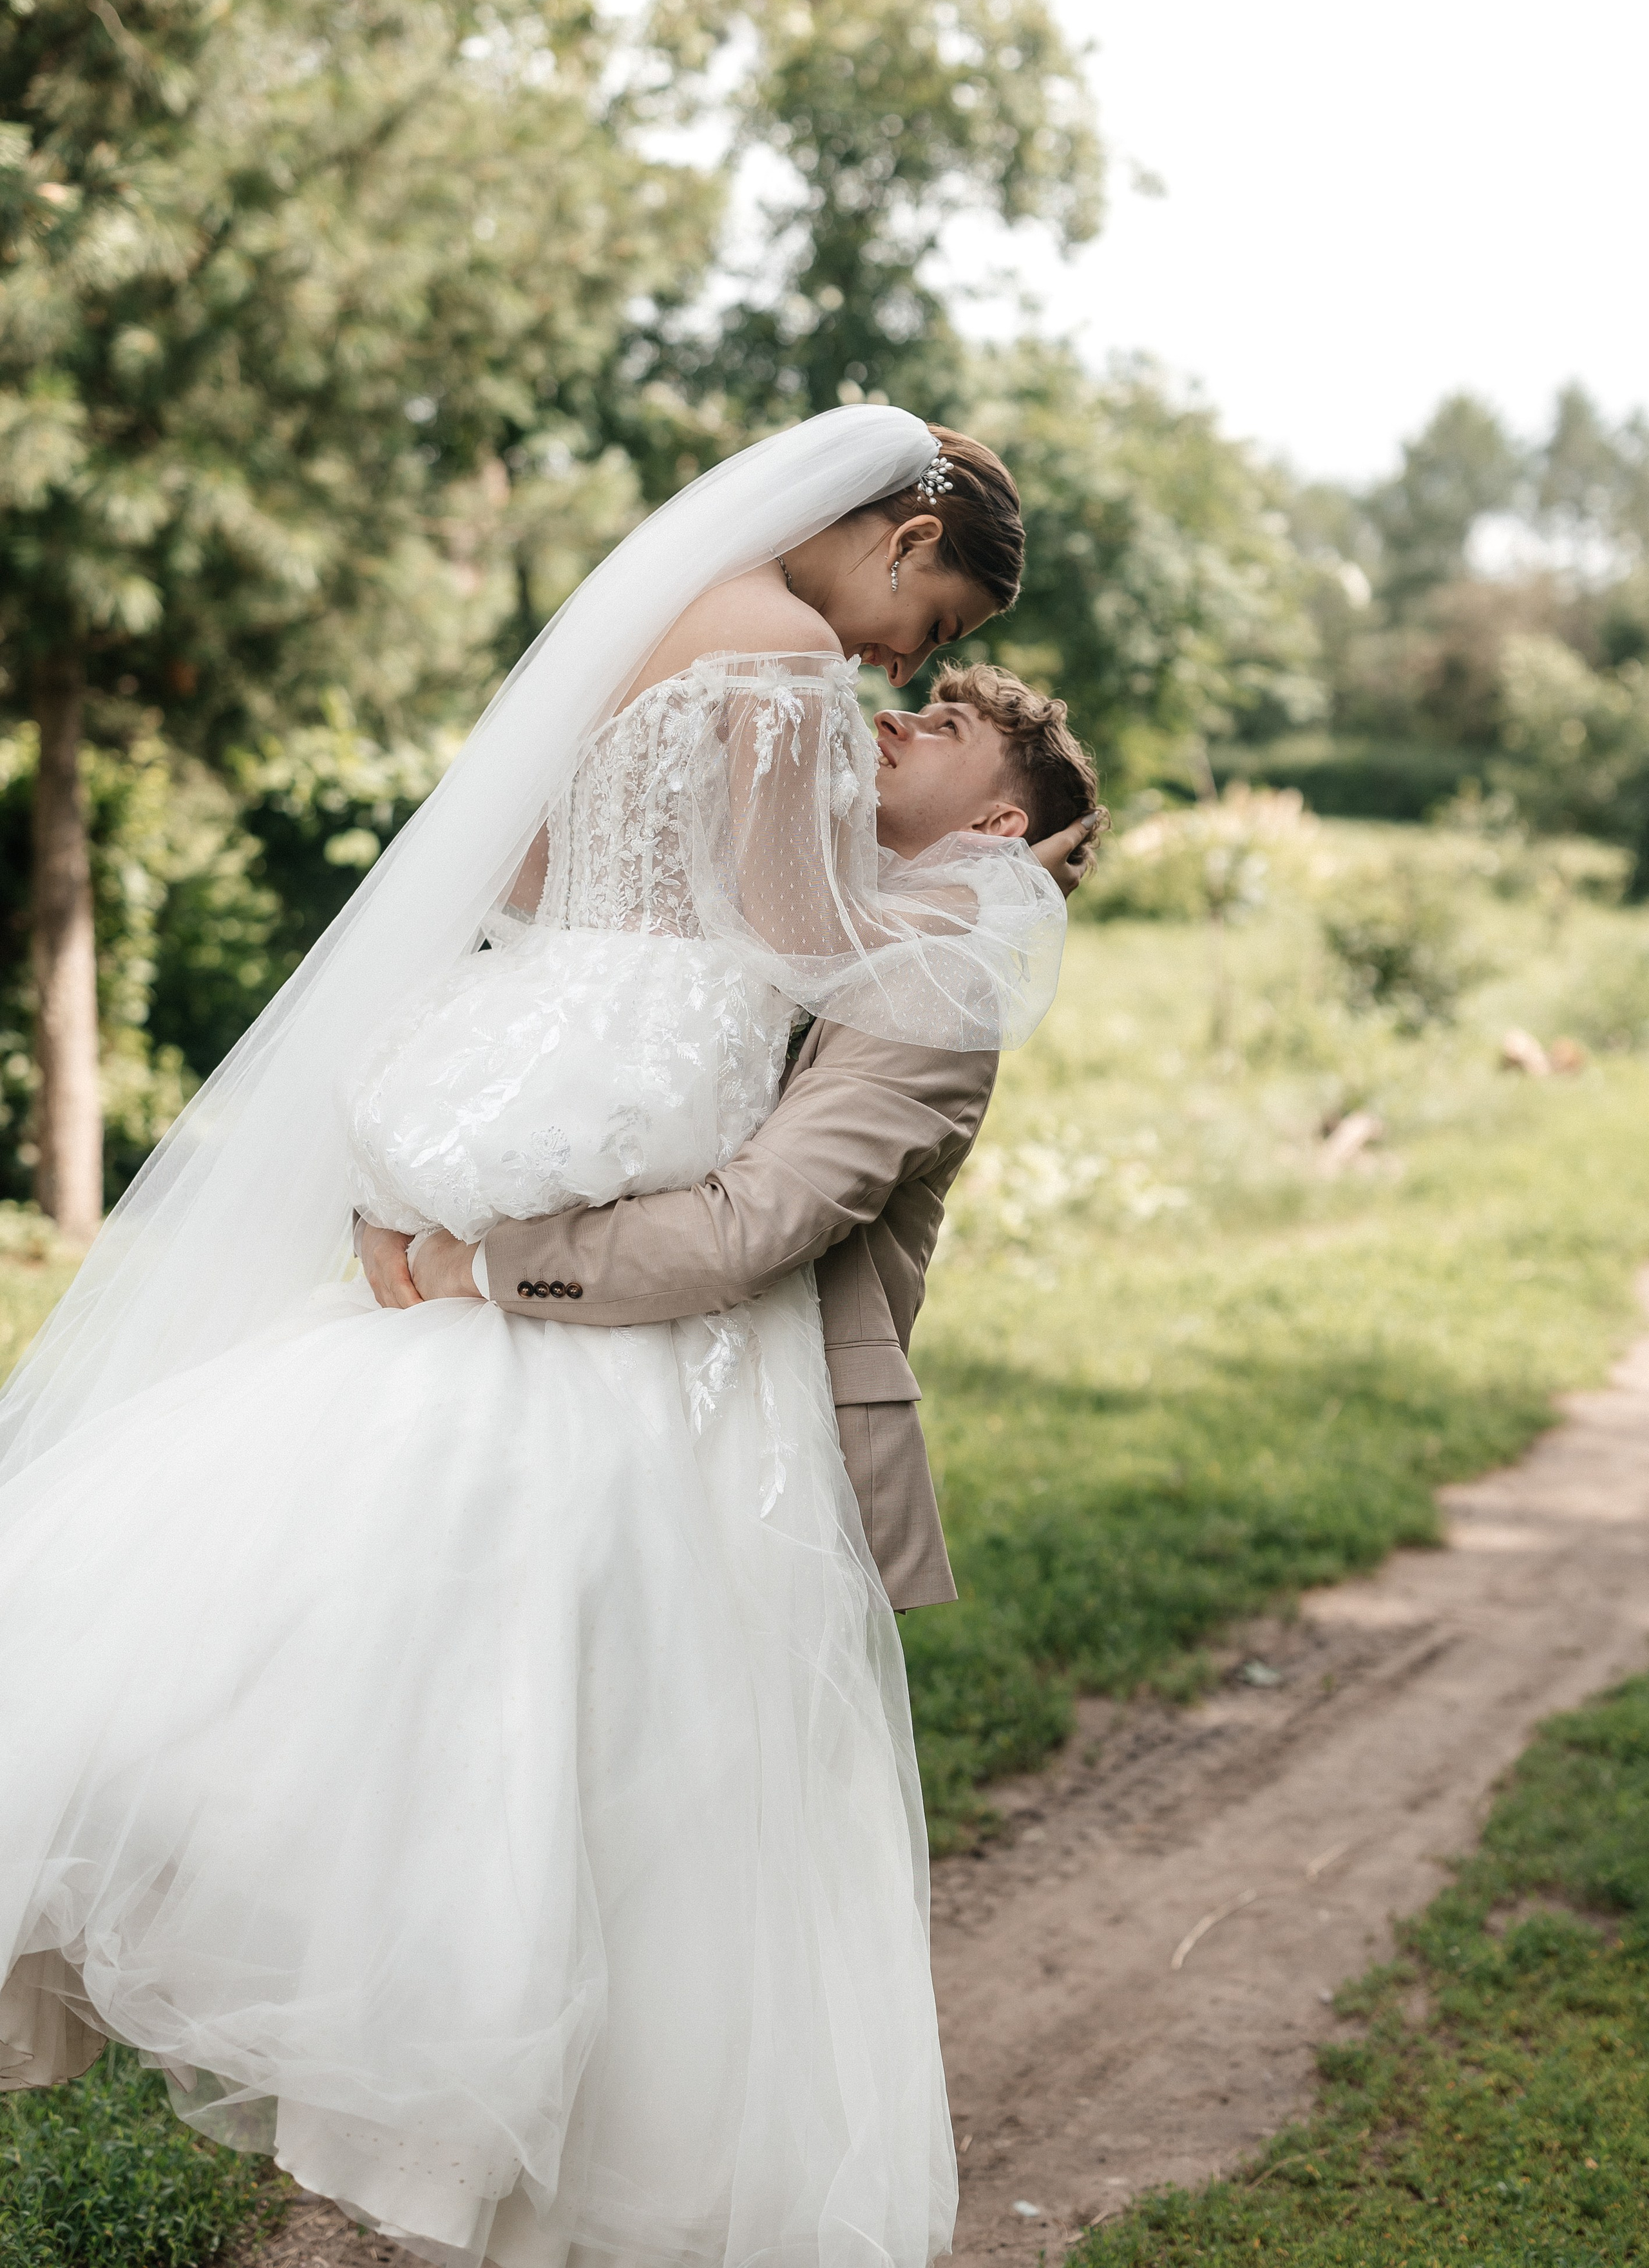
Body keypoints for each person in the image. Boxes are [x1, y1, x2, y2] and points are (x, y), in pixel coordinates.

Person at [0, 408, 1070, 2268]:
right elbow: (795, 929)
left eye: (933, 677)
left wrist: (597, 997)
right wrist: (964, 900)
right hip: (615, 1208)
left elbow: (522, 882)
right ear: (900, 537)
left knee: (385, 1586)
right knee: (598, 1705)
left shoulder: (672, 617)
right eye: (928, 624)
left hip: (549, 1101)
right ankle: (551, 2133)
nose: (905, 668)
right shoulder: (795, 663)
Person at [361, 664, 1101, 1610]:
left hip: (736, 1454)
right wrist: (391, 1213)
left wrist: (469, 1264)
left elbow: (744, 1231)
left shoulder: (929, 990)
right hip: (509, 1376)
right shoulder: (750, 906)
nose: (893, 717)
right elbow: (516, 1068)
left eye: (942, 727)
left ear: (996, 829)